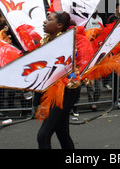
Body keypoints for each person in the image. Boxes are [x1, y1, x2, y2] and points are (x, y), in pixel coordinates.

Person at [37, 11, 80, 149]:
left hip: (66, 92)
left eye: (49, 19)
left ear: (59, 25)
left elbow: (71, 71)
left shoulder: (67, 43)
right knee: (62, 134)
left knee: (43, 135)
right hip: (52, 91)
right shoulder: (47, 41)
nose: (44, 22)